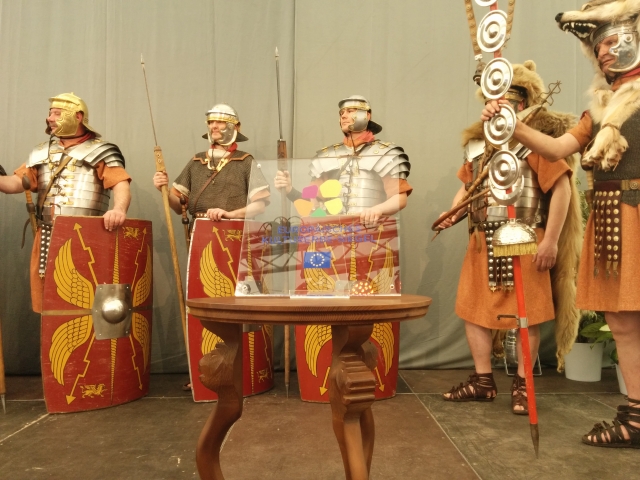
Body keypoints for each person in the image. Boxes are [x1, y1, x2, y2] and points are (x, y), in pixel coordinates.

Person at [483, 0, 640, 447]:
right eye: (598, 46)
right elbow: (555, 149)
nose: (604, 52)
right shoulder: (600, 109)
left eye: (611, 41)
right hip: (612, 216)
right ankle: (636, 418)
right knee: (622, 320)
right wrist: (510, 124)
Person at [441, 61, 581, 415]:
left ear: (522, 101)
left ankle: (523, 385)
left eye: (505, 98)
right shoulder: (478, 144)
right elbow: (468, 186)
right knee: (473, 310)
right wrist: (453, 212)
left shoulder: (535, 141)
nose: (497, 104)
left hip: (522, 233)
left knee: (525, 314)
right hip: (481, 238)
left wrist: (550, 241)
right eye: (493, 98)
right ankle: (482, 381)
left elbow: (562, 190)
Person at [0, 93, 131, 312]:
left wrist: (118, 209)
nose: (49, 118)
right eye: (50, 113)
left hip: (87, 235)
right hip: (47, 233)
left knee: (87, 297)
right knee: (48, 300)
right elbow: (17, 182)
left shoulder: (101, 150)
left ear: (78, 117)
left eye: (57, 114)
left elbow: (120, 183)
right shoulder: (41, 152)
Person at [274, 95, 412, 223]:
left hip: (372, 233)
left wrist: (377, 210)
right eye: (341, 113)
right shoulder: (327, 156)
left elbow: (400, 198)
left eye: (350, 111)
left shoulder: (385, 153)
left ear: (367, 115)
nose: (344, 116)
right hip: (335, 235)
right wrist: (290, 190)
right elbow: (312, 203)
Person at [152, 103, 269, 225]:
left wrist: (230, 215)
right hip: (199, 231)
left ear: (235, 126)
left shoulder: (245, 161)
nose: (214, 126)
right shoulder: (197, 161)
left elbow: (259, 206)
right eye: (211, 122)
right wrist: (164, 189)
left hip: (233, 231)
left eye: (220, 122)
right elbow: (179, 207)